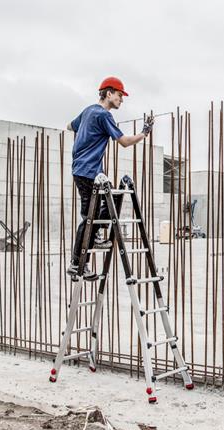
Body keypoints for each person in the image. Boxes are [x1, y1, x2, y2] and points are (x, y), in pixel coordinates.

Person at [66, 76, 152, 281]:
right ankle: (77, 263)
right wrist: (144, 133)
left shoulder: (88, 111)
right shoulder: (104, 116)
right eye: (120, 95)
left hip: (83, 170)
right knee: (89, 218)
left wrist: (84, 135)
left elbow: (70, 126)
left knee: (108, 201)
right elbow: (123, 142)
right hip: (89, 172)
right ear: (108, 93)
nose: (121, 99)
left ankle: (94, 236)